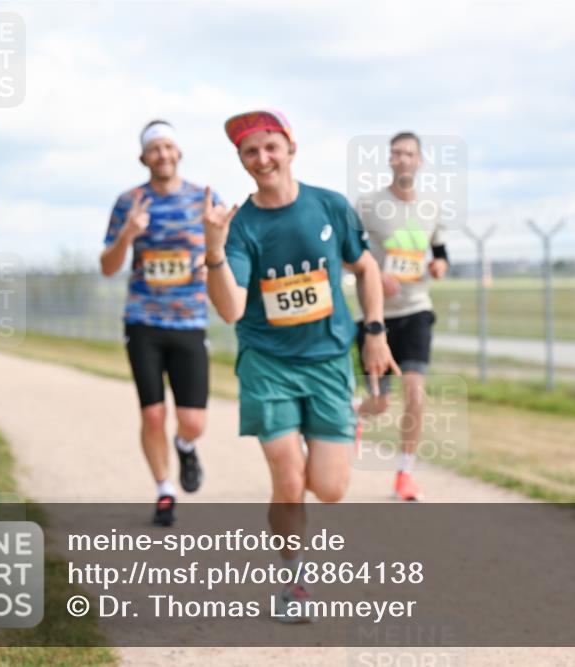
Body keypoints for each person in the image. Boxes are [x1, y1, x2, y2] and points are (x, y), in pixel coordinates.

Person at [204, 109, 399, 620]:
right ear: (242, 161)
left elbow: (366, 266)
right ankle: (292, 581)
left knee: (330, 490)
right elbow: (229, 309)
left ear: (291, 147)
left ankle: (341, 424)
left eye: (271, 146)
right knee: (289, 480)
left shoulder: (329, 206)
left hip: (330, 360)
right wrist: (213, 250)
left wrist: (374, 331)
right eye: (250, 152)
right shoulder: (242, 226)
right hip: (267, 364)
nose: (262, 158)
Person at [101, 120, 219, 527]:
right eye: (155, 149)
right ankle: (164, 490)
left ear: (179, 152)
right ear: (143, 158)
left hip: (189, 321)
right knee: (152, 413)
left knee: (193, 421)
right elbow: (107, 266)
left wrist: (211, 261)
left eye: (169, 147)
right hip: (143, 320)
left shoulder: (204, 199)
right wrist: (128, 235)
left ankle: (185, 445)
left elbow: (229, 251)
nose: (163, 155)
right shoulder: (129, 202)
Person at [354, 131, 448, 501]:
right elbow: (352, 253)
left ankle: (405, 475)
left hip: (416, 309)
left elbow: (439, 250)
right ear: (389, 160)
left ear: (420, 161)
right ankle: (355, 411)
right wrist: (376, 276)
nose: (402, 159)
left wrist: (439, 264)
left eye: (409, 153)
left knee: (416, 394)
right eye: (396, 153)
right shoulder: (368, 205)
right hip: (376, 316)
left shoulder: (431, 208)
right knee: (379, 404)